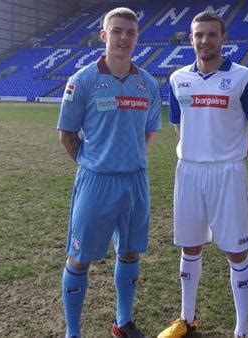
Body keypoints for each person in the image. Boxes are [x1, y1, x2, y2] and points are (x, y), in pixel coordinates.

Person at [158, 11, 248, 338]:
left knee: (235, 250)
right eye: (198, 35)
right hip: (189, 172)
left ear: (223, 38)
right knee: (190, 247)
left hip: (227, 174)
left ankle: (242, 330)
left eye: (211, 35)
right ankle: (187, 319)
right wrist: (198, 149)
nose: (204, 41)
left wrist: (230, 156)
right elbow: (178, 124)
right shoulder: (178, 78)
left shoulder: (244, 78)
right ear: (191, 39)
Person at [57, 7, 161, 338]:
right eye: (116, 31)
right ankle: (73, 332)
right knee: (79, 258)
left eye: (130, 32)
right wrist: (94, 165)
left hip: (135, 180)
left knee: (130, 250)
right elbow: (67, 133)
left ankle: (123, 321)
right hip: (95, 181)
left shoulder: (147, 83)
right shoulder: (83, 80)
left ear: (137, 37)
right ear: (104, 35)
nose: (123, 38)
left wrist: (130, 159)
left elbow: (149, 131)